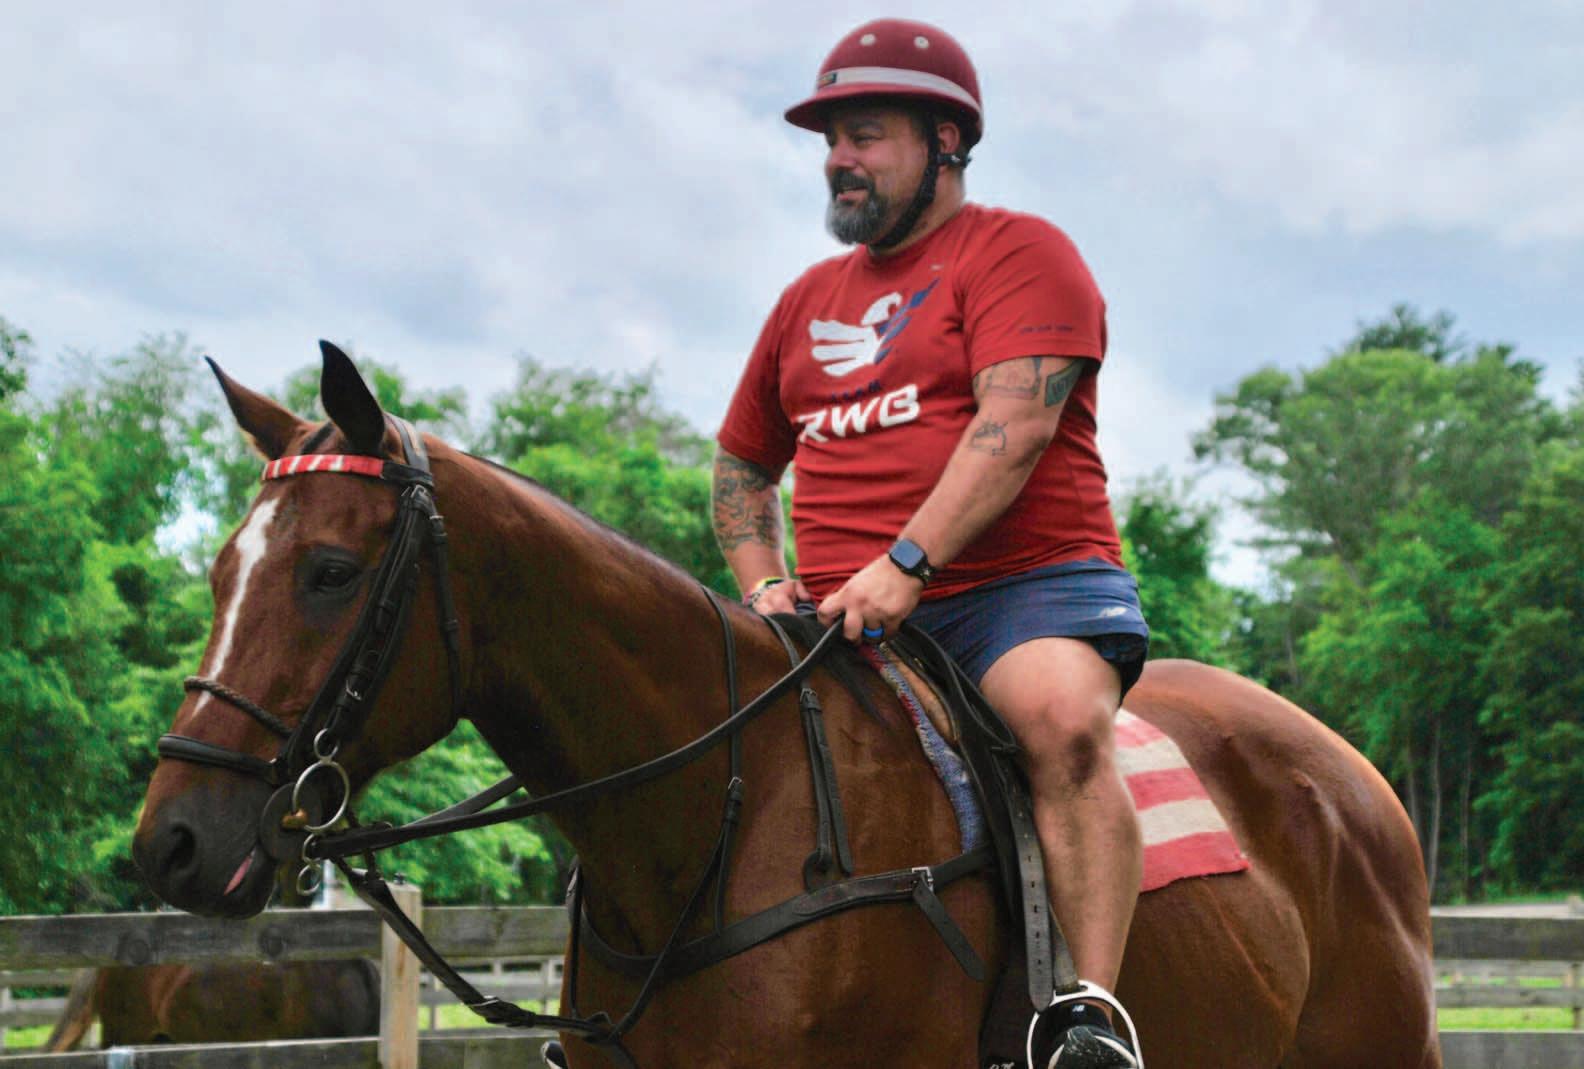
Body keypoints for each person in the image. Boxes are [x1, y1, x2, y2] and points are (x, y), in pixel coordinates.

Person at [711, 18, 1148, 1069]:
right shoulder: (805, 303)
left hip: (1019, 591)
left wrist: (906, 564)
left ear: (947, 141)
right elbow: (740, 468)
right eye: (831, 140)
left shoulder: (1018, 253)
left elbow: (1016, 424)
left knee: (1058, 720)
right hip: (838, 612)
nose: (839, 158)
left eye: (865, 134)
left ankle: (1089, 1018)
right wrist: (765, 584)